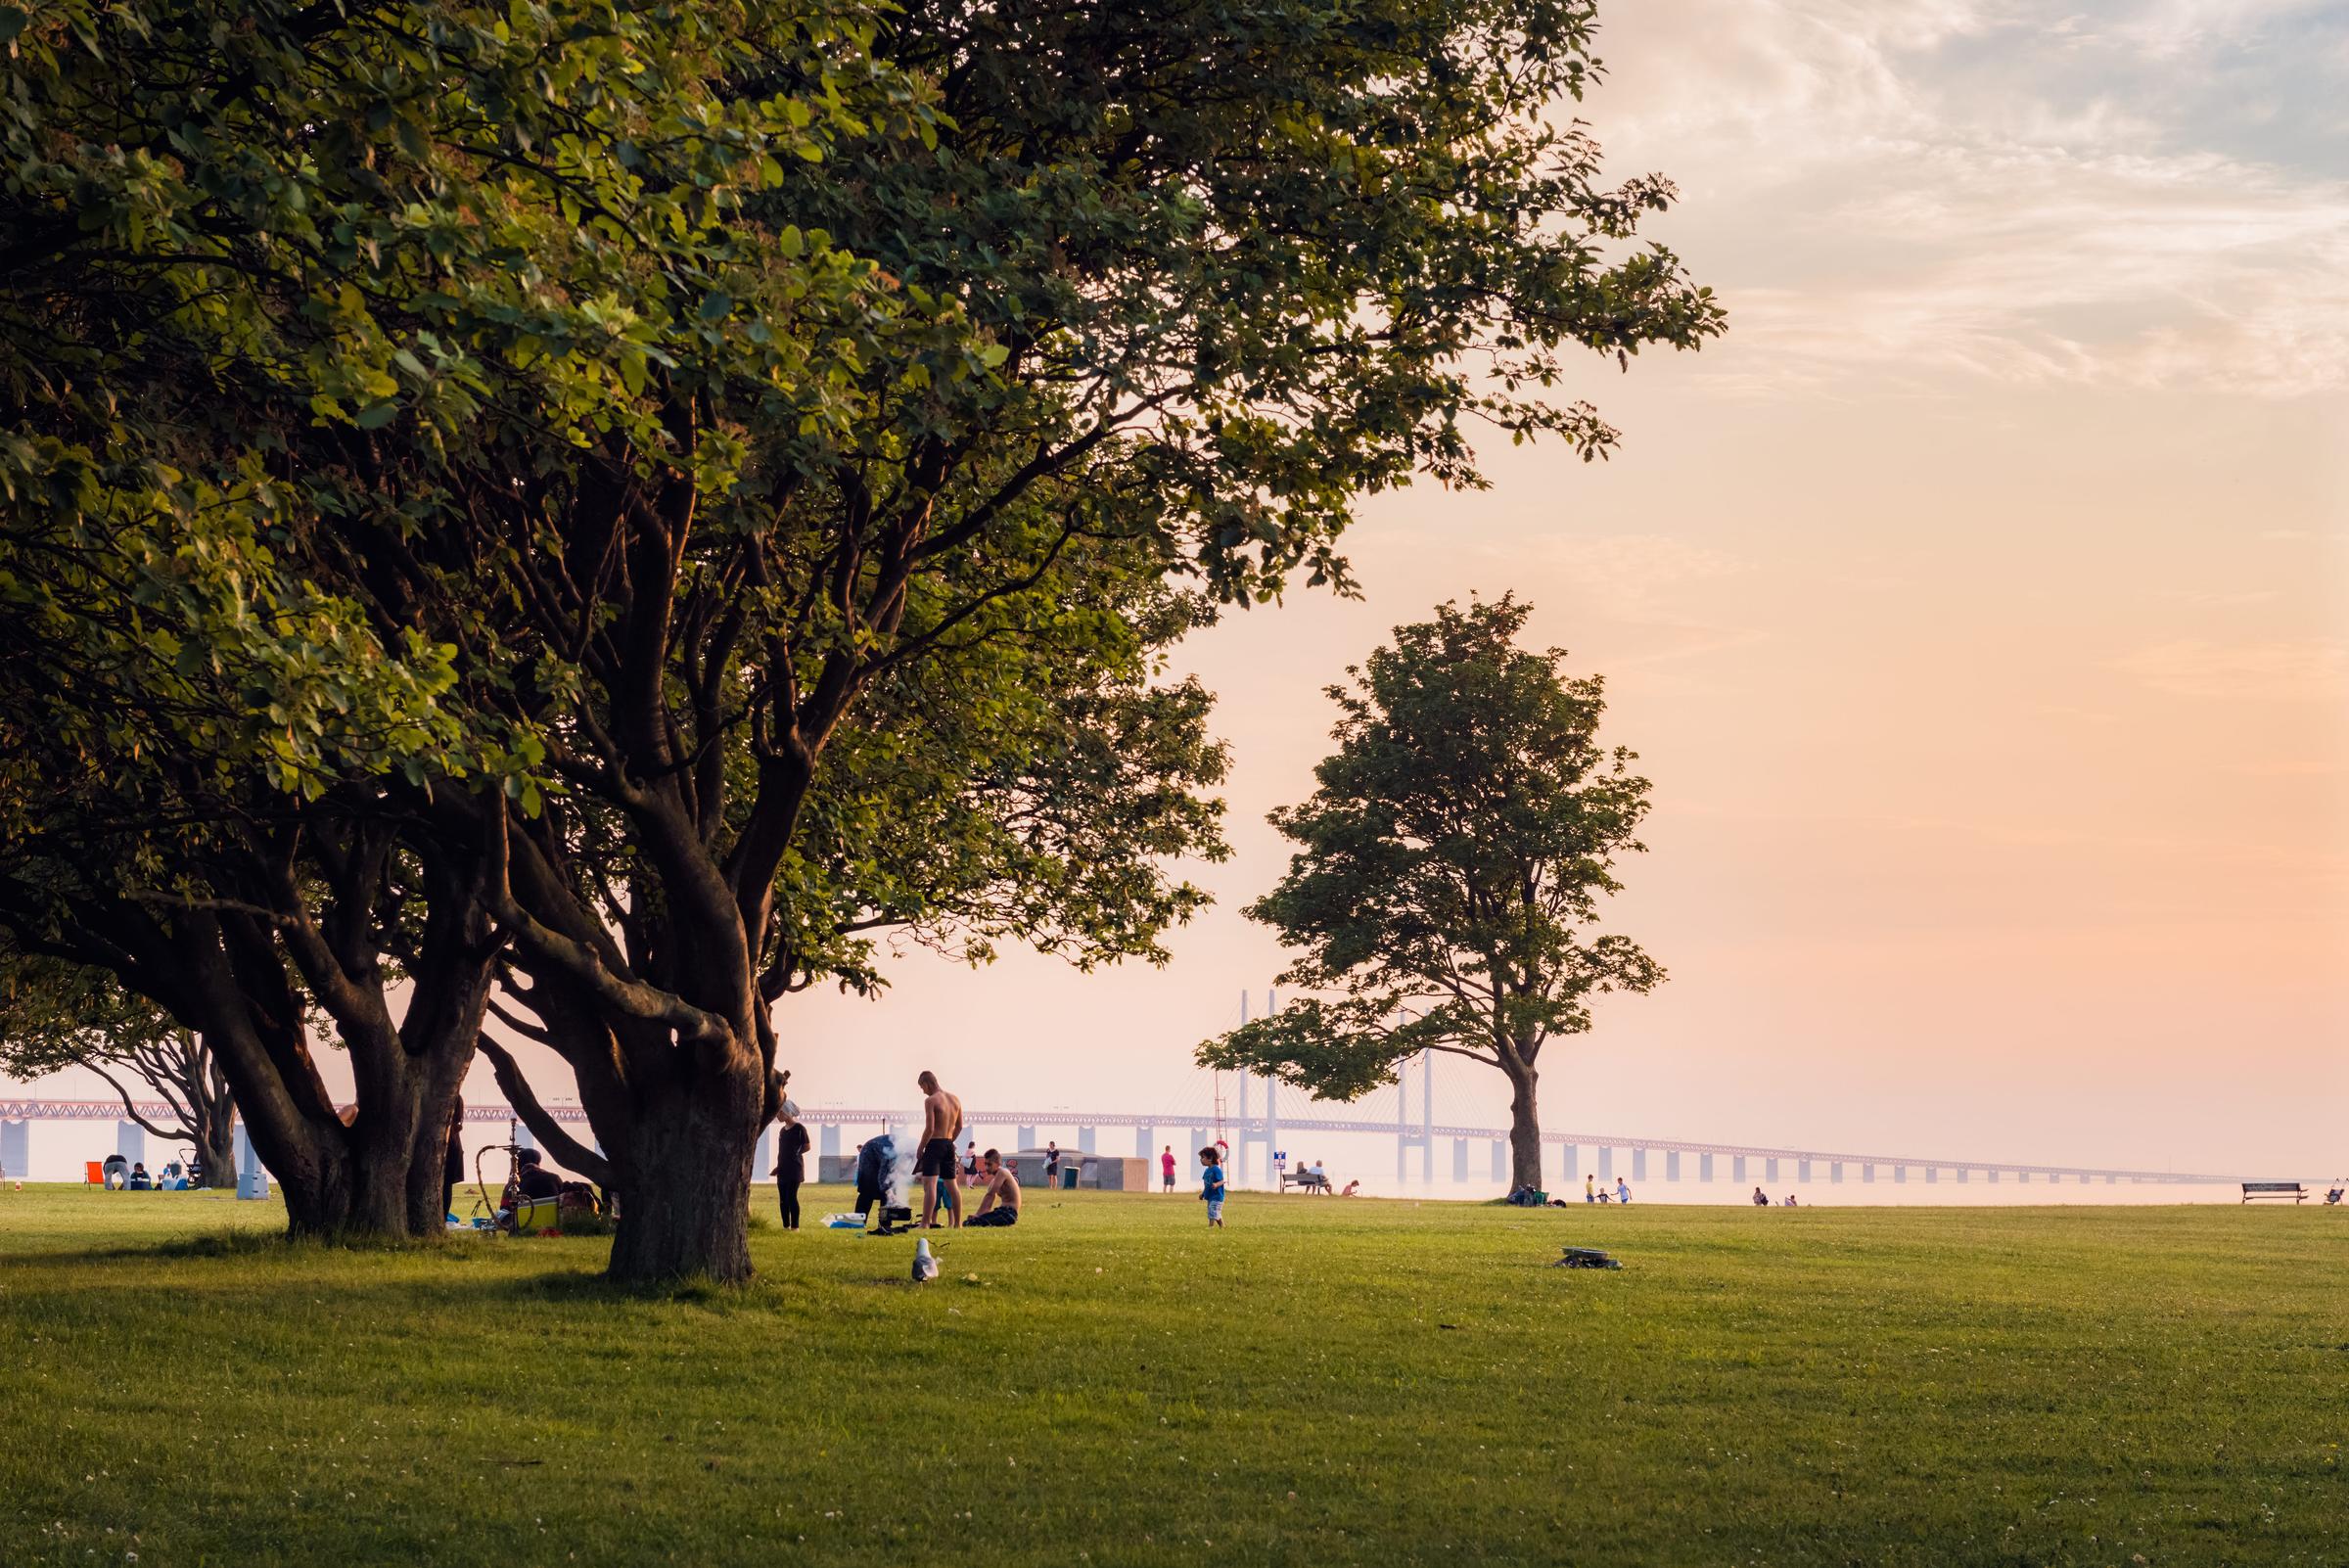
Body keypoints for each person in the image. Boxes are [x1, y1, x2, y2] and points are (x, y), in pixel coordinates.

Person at [915, 1071, 964, 1229]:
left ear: (927, 1083)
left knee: (930, 1185)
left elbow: (929, 1129)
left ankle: (925, 1224)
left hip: (934, 1145)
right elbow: (960, 1126)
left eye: (922, 1087)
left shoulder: (931, 1101)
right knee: (952, 1185)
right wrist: (949, 1142)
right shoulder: (955, 1099)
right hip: (949, 1144)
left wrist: (921, 1148)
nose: (923, 1091)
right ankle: (957, 1224)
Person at [774, 1104, 810, 1230]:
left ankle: (795, 1227)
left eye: (780, 1113)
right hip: (782, 1169)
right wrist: (778, 1167)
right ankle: (786, 1226)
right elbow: (782, 1151)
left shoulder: (799, 1128)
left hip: (795, 1168)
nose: (777, 1115)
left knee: (791, 1197)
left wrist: (795, 1155)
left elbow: (807, 1146)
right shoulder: (782, 1131)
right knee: (783, 1199)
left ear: (788, 1113)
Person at [968, 1148, 1022, 1227]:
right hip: (1001, 1211)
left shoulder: (1003, 1172)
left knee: (973, 1223)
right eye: (985, 1164)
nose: (986, 1168)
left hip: (1009, 1213)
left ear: (998, 1164)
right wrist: (981, 1215)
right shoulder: (994, 1180)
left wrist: (978, 1215)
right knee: (970, 1222)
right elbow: (989, 1200)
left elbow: (990, 1195)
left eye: (989, 1164)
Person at [853, 1130, 896, 1229]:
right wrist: (888, 1190)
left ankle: (884, 1224)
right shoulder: (891, 1152)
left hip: (879, 1154)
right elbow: (883, 1173)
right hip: (869, 1154)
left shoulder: (906, 1152)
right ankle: (858, 1222)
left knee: (887, 1192)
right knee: (867, 1190)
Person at [441, 1097, 466, 1220]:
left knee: (446, 1186)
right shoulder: (457, 1098)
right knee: (446, 1187)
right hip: (454, 1149)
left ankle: (443, 1217)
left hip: (450, 1150)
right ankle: (443, 1218)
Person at [1199, 1144, 1226, 1228]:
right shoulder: (1207, 1171)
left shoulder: (1216, 1169)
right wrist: (1203, 1194)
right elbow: (1207, 1185)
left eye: (1203, 1157)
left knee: (1212, 1210)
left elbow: (1222, 1181)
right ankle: (1222, 1226)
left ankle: (1211, 1226)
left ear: (1210, 1158)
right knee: (1214, 1212)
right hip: (1210, 1196)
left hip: (1217, 1196)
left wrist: (1216, 1184)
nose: (1201, 1160)